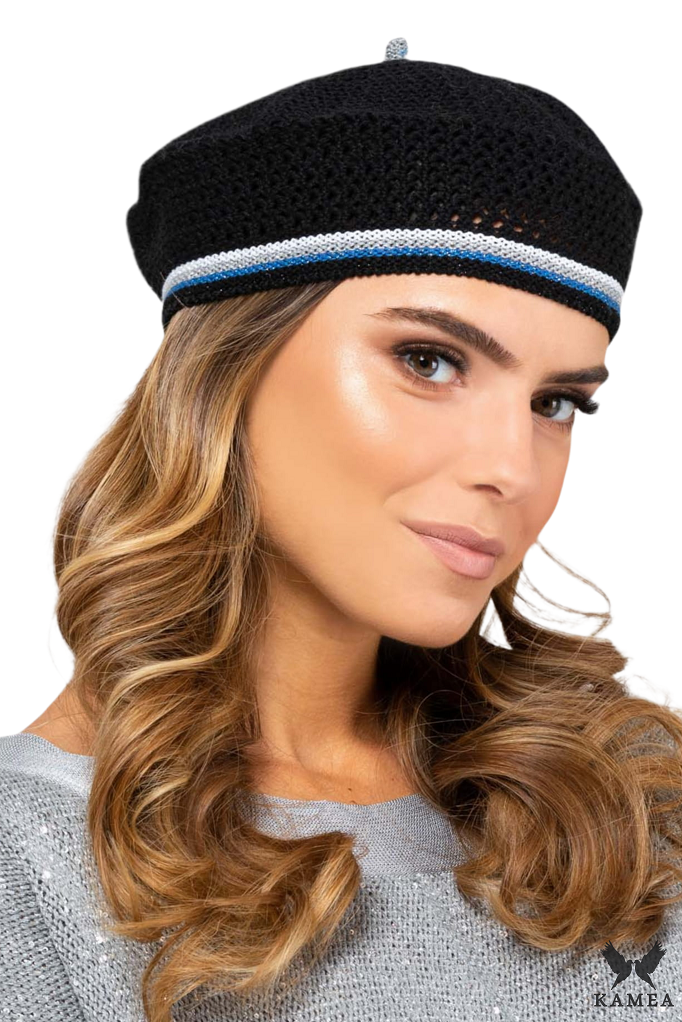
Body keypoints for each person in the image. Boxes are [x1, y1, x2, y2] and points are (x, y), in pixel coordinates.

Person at [2, 36, 681, 1022]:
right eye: (429, 359)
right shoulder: (29, 865)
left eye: (555, 403)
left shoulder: (620, 810)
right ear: (226, 371)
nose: (513, 466)